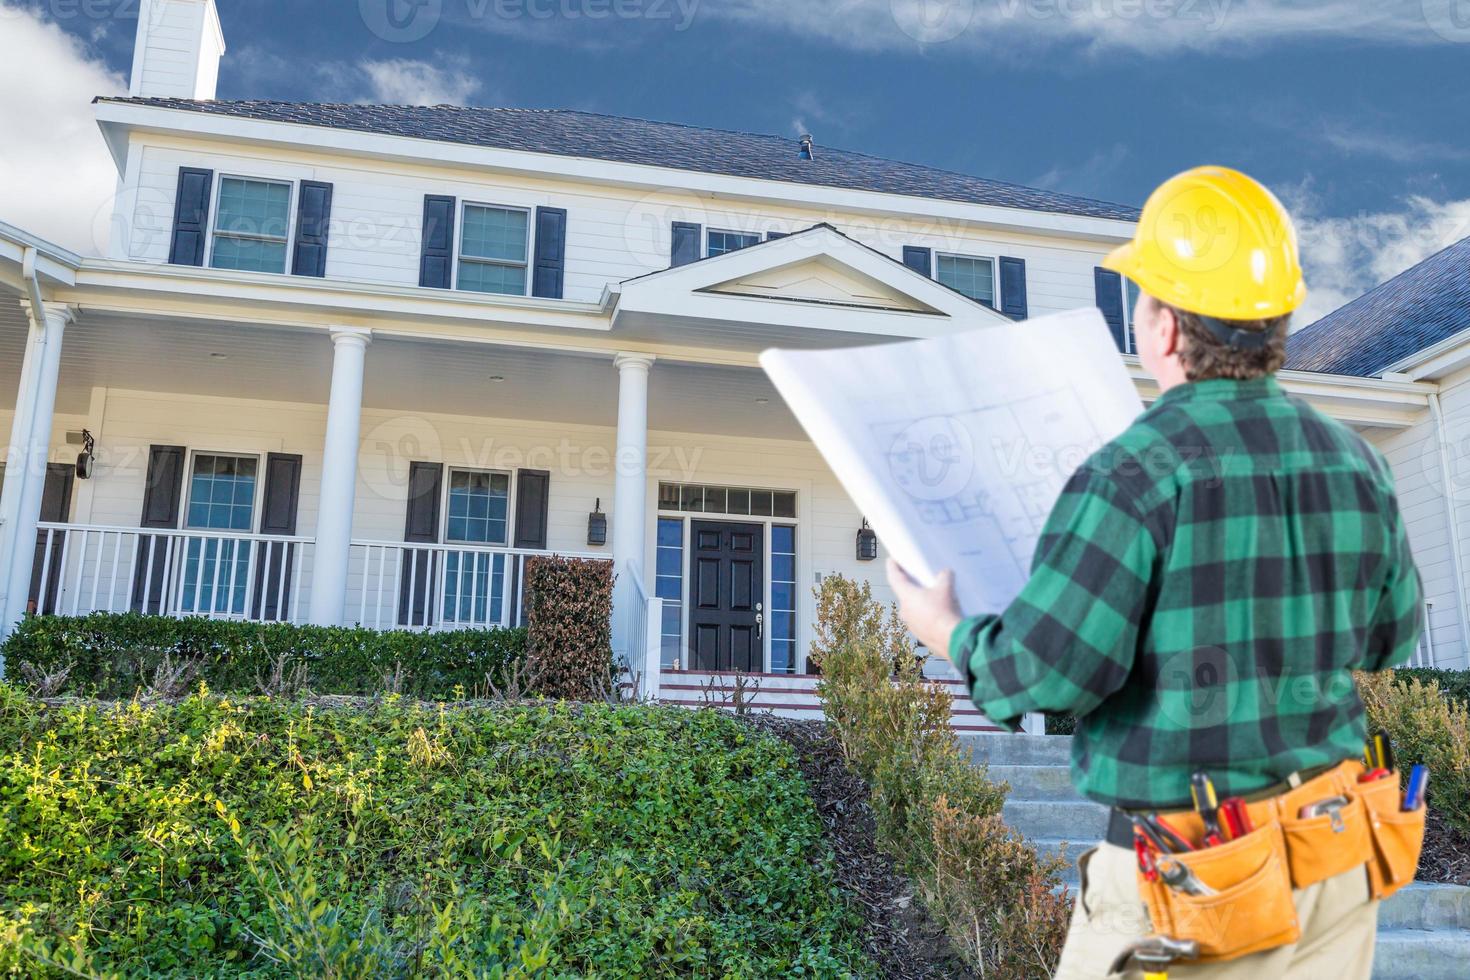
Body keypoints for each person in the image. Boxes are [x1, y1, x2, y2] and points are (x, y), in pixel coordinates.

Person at [888, 166, 1423, 979]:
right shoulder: (1355, 463)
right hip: (1334, 855)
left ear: (1166, 328)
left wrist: (945, 629)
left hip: (1193, 883)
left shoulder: (1134, 473)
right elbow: (1390, 638)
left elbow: (1043, 675)